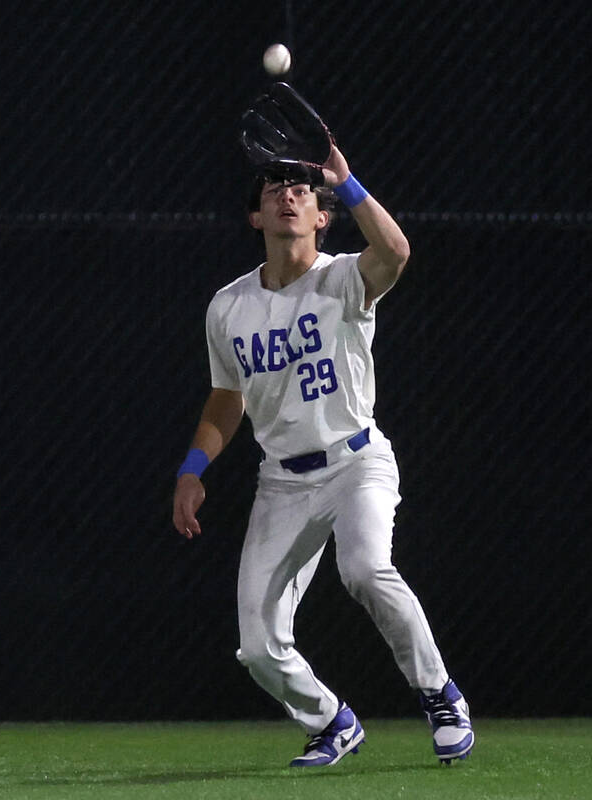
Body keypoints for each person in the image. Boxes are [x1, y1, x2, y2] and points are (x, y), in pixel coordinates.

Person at [171, 146, 474, 767]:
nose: (289, 195)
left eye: (302, 191)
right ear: (255, 216)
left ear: (321, 217)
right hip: (281, 481)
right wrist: (192, 469)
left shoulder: (340, 278)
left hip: (356, 461)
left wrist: (348, 181)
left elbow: (395, 253)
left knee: (364, 568)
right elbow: (227, 399)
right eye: (275, 188)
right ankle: (332, 721)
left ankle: (441, 696)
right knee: (257, 646)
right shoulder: (228, 307)